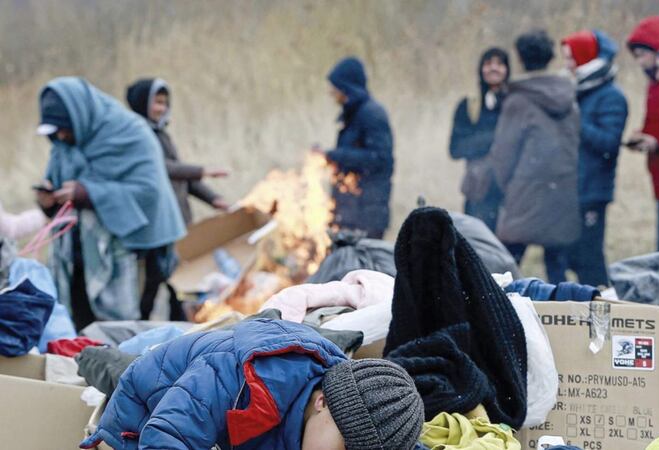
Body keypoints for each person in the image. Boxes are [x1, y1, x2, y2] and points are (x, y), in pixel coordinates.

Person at [80, 318, 424, 450]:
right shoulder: (236, 378)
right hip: (143, 423)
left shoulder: (331, 412)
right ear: (322, 404)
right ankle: (89, 354)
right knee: (109, 366)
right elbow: (166, 436)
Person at [35, 77, 186, 330]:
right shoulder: (66, 142)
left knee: (132, 332)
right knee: (84, 329)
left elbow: (148, 192)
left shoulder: (131, 133)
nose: (60, 135)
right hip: (80, 255)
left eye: (64, 128)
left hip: (137, 251)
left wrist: (87, 193)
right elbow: (58, 182)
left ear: (79, 116)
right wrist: (48, 200)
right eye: (54, 131)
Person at [126, 78, 229, 320]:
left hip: (176, 223)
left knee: (173, 279)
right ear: (142, 104)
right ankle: (139, 324)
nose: (161, 108)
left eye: (164, 103)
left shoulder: (162, 133)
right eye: (156, 102)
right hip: (156, 224)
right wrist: (201, 170)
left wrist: (214, 199)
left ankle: (177, 324)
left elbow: (181, 175)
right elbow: (162, 168)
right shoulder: (137, 138)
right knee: (157, 281)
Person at [487, 29, 582, 273]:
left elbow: (502, 154)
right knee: (556, 265)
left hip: (525, 190)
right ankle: (560, 310)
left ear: (519, 58)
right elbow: (573, 145)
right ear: (550, 57)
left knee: (506, 267)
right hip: (562, 189)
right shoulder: (569, 98)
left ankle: (501, 310)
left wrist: (508, 187)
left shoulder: (517, 101)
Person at [554, 29, 629, 286]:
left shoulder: (611, 97)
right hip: (571, 189)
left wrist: (574, 119)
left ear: (585, 59)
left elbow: (609, 144)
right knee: (567, 256)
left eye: (571, 59)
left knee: (589, 259)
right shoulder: (578, 91)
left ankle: (605, 307)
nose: (567, 66)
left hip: (592, 191)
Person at [322, 57, 394, 240]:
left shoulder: (372, 114)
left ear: (347, 87)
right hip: (349, 212)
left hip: (367, 214)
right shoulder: (353, 114)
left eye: (335, 87)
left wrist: (336, 156)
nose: (332, 93)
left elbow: (381, 159)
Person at [625, 16, 659, 251]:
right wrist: (643, 136)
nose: (640, 62)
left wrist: (658, 143)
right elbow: (656, 124)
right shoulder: (654, 85)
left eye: (642, 55)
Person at [449, 47, 511, 231]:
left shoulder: (516, 104)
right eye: (488, 63)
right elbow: (455, 149)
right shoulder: (469, 106)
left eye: (500, 64)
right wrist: (495, 139)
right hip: (479, 190)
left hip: (510, 191)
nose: (493, 68)